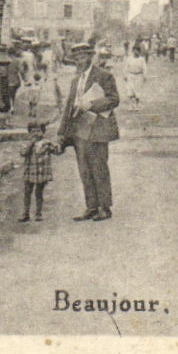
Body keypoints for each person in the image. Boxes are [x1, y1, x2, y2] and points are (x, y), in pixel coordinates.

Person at [50, 41, 120, 221]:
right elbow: (68, 107)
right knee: (85, 171)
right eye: (76, 58)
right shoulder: (76, 80)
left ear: (90, 57)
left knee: (99, 169)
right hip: (79, 130)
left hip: (98, 129)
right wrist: (61, 134)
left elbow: (114, 99)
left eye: (83, 56)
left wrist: (91, 104)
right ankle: (91, 206)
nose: (79, 61)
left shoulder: (104, 76)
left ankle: (105, 207)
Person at [18, 119, 55, 222]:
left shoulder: (46, 143)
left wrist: (56, 145)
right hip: (29, 172)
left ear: (43, 132)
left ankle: (38, 213)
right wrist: (30, 144)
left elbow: (56, 150)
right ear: (29, 132)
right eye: (33, 131)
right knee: (27, 192)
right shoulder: (27, 143)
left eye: (38, 131)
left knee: (39, 193)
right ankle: (25, 213)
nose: (36, 134)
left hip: (40, 173)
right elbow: (23, 153)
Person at [123, 41, 147, 107]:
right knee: (130, 90)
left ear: (139, 52)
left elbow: (144, 68)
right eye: (134, 51)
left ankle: (137, 104)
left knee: (137, 90)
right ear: (132, 51)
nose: (136, 52)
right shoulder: (129, 59)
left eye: (137, 51)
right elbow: (126, 68)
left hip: (139, 76)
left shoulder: (141, 59)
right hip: (131, 75)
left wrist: (144, 76)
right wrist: (125, 75)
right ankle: (131, 104)